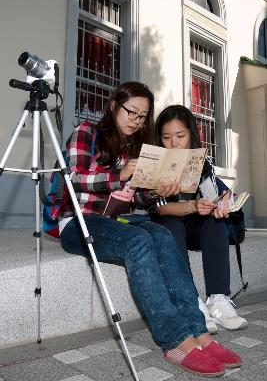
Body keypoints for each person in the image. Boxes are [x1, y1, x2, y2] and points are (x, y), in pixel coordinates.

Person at [59, 82, 241, 376]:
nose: (136, 120)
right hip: (80, 220)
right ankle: (174, 341)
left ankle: (200, 333)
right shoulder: (87, 133)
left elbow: (140, 198)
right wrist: (121, 173)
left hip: (119, 221)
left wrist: (160, 189)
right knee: (139, 243)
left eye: (143, 116)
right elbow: (75, 178)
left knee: (162, 234)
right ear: (114, 106)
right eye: (131, 111)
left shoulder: (137, 148)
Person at [152, 104, 248, 334]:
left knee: (215, 223)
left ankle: (217, 300)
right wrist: (192, 205)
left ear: (191, 135)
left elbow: (213, 197)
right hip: (167, 224)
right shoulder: (156, 163)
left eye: (180, 136)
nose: (173, 143)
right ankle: (191, 302)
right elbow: (160, 209)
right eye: (166, 137)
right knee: (173, 225)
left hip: (193, 224)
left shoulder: (203, 163)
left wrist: (218, 207)